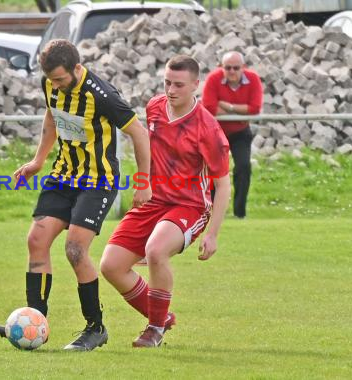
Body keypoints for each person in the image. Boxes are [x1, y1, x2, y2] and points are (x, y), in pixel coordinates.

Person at [0, 39, 152, 351]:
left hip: (98, 181)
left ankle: (95, 328)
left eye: (61, 79)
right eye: (52, 80)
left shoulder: (102, 95)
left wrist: (143, 183)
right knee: (36, 240)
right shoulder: (51, 84)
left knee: (75, 250)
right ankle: (34, 320)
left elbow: (140, 134)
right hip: (63, 175)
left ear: (77, 68)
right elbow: (52, 117)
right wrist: (38, 161)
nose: (56, 85)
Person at [100, 55, 231, 348]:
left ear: (196, 85)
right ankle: (161, 316)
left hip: (189, 206)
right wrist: (142, 182)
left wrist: (212, 234)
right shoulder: (155, 107)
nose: (171, 90)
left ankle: (155, 330)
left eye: (179, 85)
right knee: (111, 266)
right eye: (167, 83)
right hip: (153, 201)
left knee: (156, 250)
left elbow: (223, 185)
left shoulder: (208, 129)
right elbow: (145, 146)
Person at [201, 51, 263, 218]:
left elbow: (255, 108)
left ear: (243, 68)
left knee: (243, 167)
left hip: (240, 133)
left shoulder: (253, 79)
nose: (232, 72)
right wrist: (241, 111)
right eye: (228, 68)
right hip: (215, 132)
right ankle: (212, 212)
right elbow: (209, 106)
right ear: (221, 68)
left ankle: (239, 213)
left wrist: (227, 106)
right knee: (213, 171)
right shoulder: (214, 79)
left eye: (236, 68)